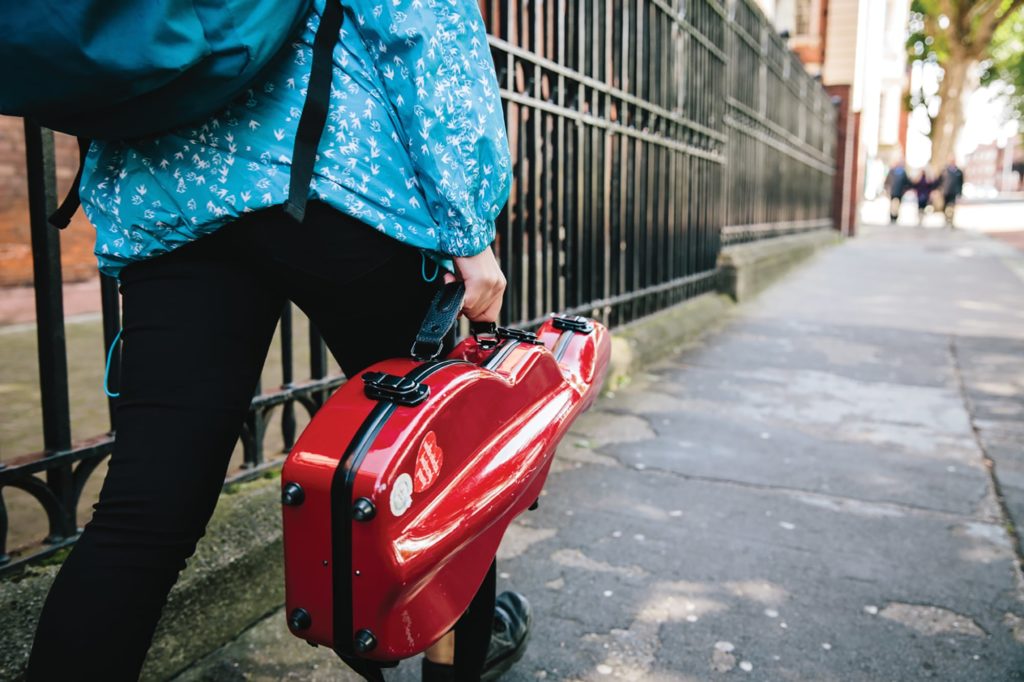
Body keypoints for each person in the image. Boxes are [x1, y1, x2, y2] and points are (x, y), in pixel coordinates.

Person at [27, 1, 531, 680]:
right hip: (336, 179)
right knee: (441, 468)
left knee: (145, 514)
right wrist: (469, 225)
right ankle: (456, 661)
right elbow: (422, 28)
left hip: (171, 196)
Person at [938, 158, 965, 228]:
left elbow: (961, 183)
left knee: (952, 207)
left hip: (954, 192)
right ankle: (946, 220)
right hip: (945, 192)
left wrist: (960, 193)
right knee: (945, 207)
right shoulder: (944, 171)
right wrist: (939, 190)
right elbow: (939, 181)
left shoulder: (959, 171)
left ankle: (951, 221)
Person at [883, 158, 909, 223]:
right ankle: (892, 216)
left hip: (899, 191)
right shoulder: (892, 171)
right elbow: (887, 180)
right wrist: (887, 188)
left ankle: (895, 216)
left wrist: (905, 189)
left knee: (897, 204)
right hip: (893, 191)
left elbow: (906, 182)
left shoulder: (903, 172)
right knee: (892, 204)